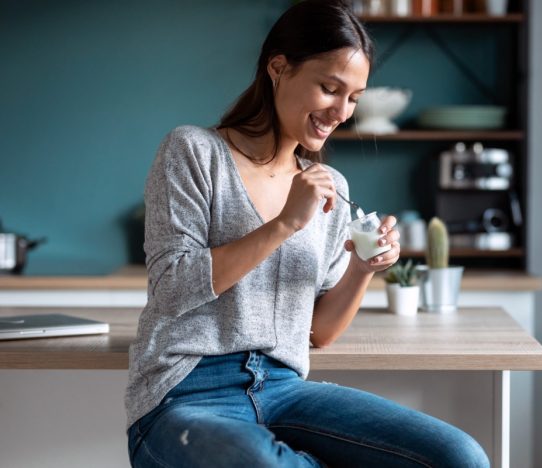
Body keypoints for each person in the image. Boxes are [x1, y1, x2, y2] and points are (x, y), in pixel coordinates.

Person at [125, 1, 490, 467]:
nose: (341, 110)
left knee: (460, 457)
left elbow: (319, 332)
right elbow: (171, 289)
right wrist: (284, 224)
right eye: (329, 88)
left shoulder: (331, 187)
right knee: (259, 460)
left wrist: (362, 268)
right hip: (186, 393)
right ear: (279, 68)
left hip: (283, 389)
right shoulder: (194, 152)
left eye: (354, 97)